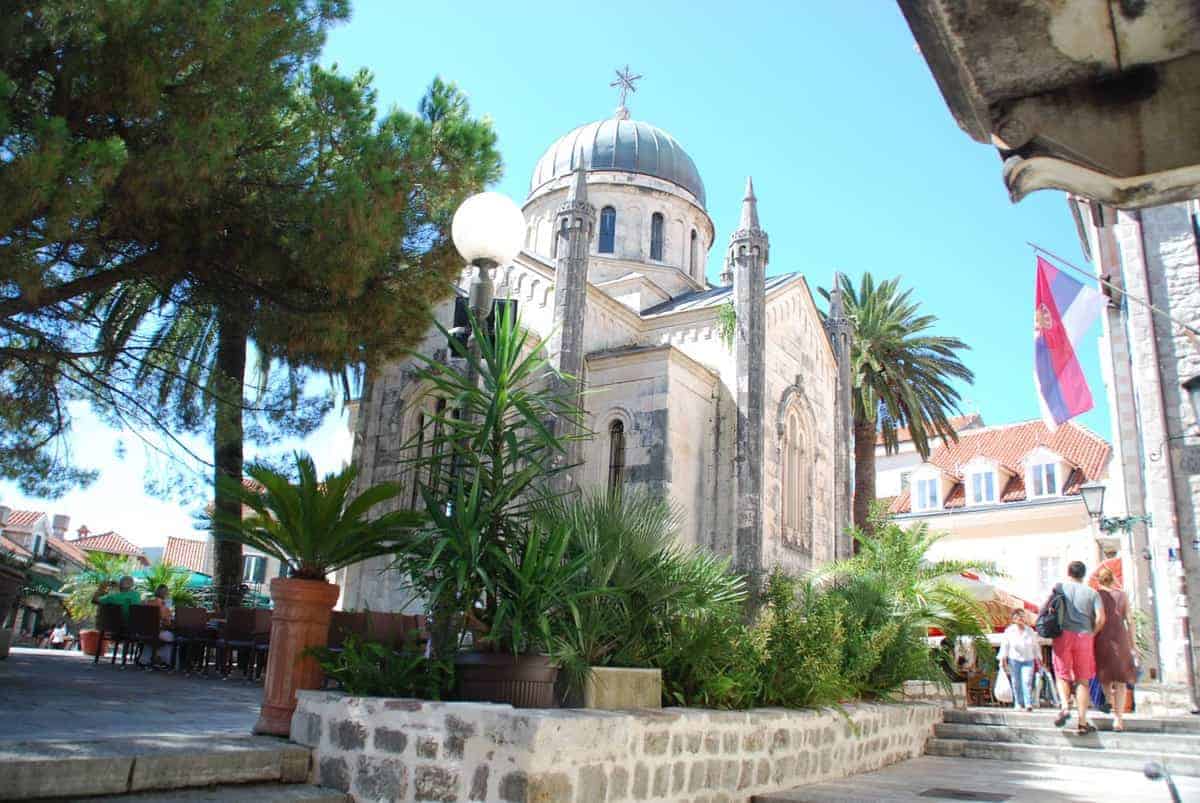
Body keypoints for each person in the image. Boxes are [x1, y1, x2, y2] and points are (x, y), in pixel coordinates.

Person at [1051, 560, 1106, 733]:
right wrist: (1092, 632)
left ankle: (1065, 706)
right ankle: (1082, 721)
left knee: (1062, 674)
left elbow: (1051, 611)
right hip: (1084, 635)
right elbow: (1101, 618)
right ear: (1083, 574)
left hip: (1063, 635)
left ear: (1069, 572)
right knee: (1083, 680)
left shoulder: (1060, 589)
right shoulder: (1092, 593)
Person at [1094, 566, 1137, 730]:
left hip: (1102, 639)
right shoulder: (1122, 595)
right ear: (1113, 578)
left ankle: (1108, 702)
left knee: (1106, 678)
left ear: (1099, 580)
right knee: (1121, 681)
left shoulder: (1097, 595)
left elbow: (1096, 619)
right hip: (1120, 639)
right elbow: (1130, 620)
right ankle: (1118, 719)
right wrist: (1133, 643)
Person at [999, 608, 1039, 712]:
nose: (1021, 618)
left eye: (1022, 616)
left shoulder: (1030, 631)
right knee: (1016, 682)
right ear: (1013, 619)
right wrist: (1003, 660)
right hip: (1014, 659)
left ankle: (1028, 703)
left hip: (1028, 659)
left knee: (1026, 681)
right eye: (1018, 616)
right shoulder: (1009, 631)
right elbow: (1005, 646)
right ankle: (1018, 702)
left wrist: (1039, 657)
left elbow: (1035, 646)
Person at [145, 584, 176, 667]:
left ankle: (146, 659)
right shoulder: (163, 605)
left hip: (145, 632)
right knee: (172, 637)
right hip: (157, 632)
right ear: (166, 594)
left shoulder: (148, 602)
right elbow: (167, 622)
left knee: (158, 637)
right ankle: (165, 661)